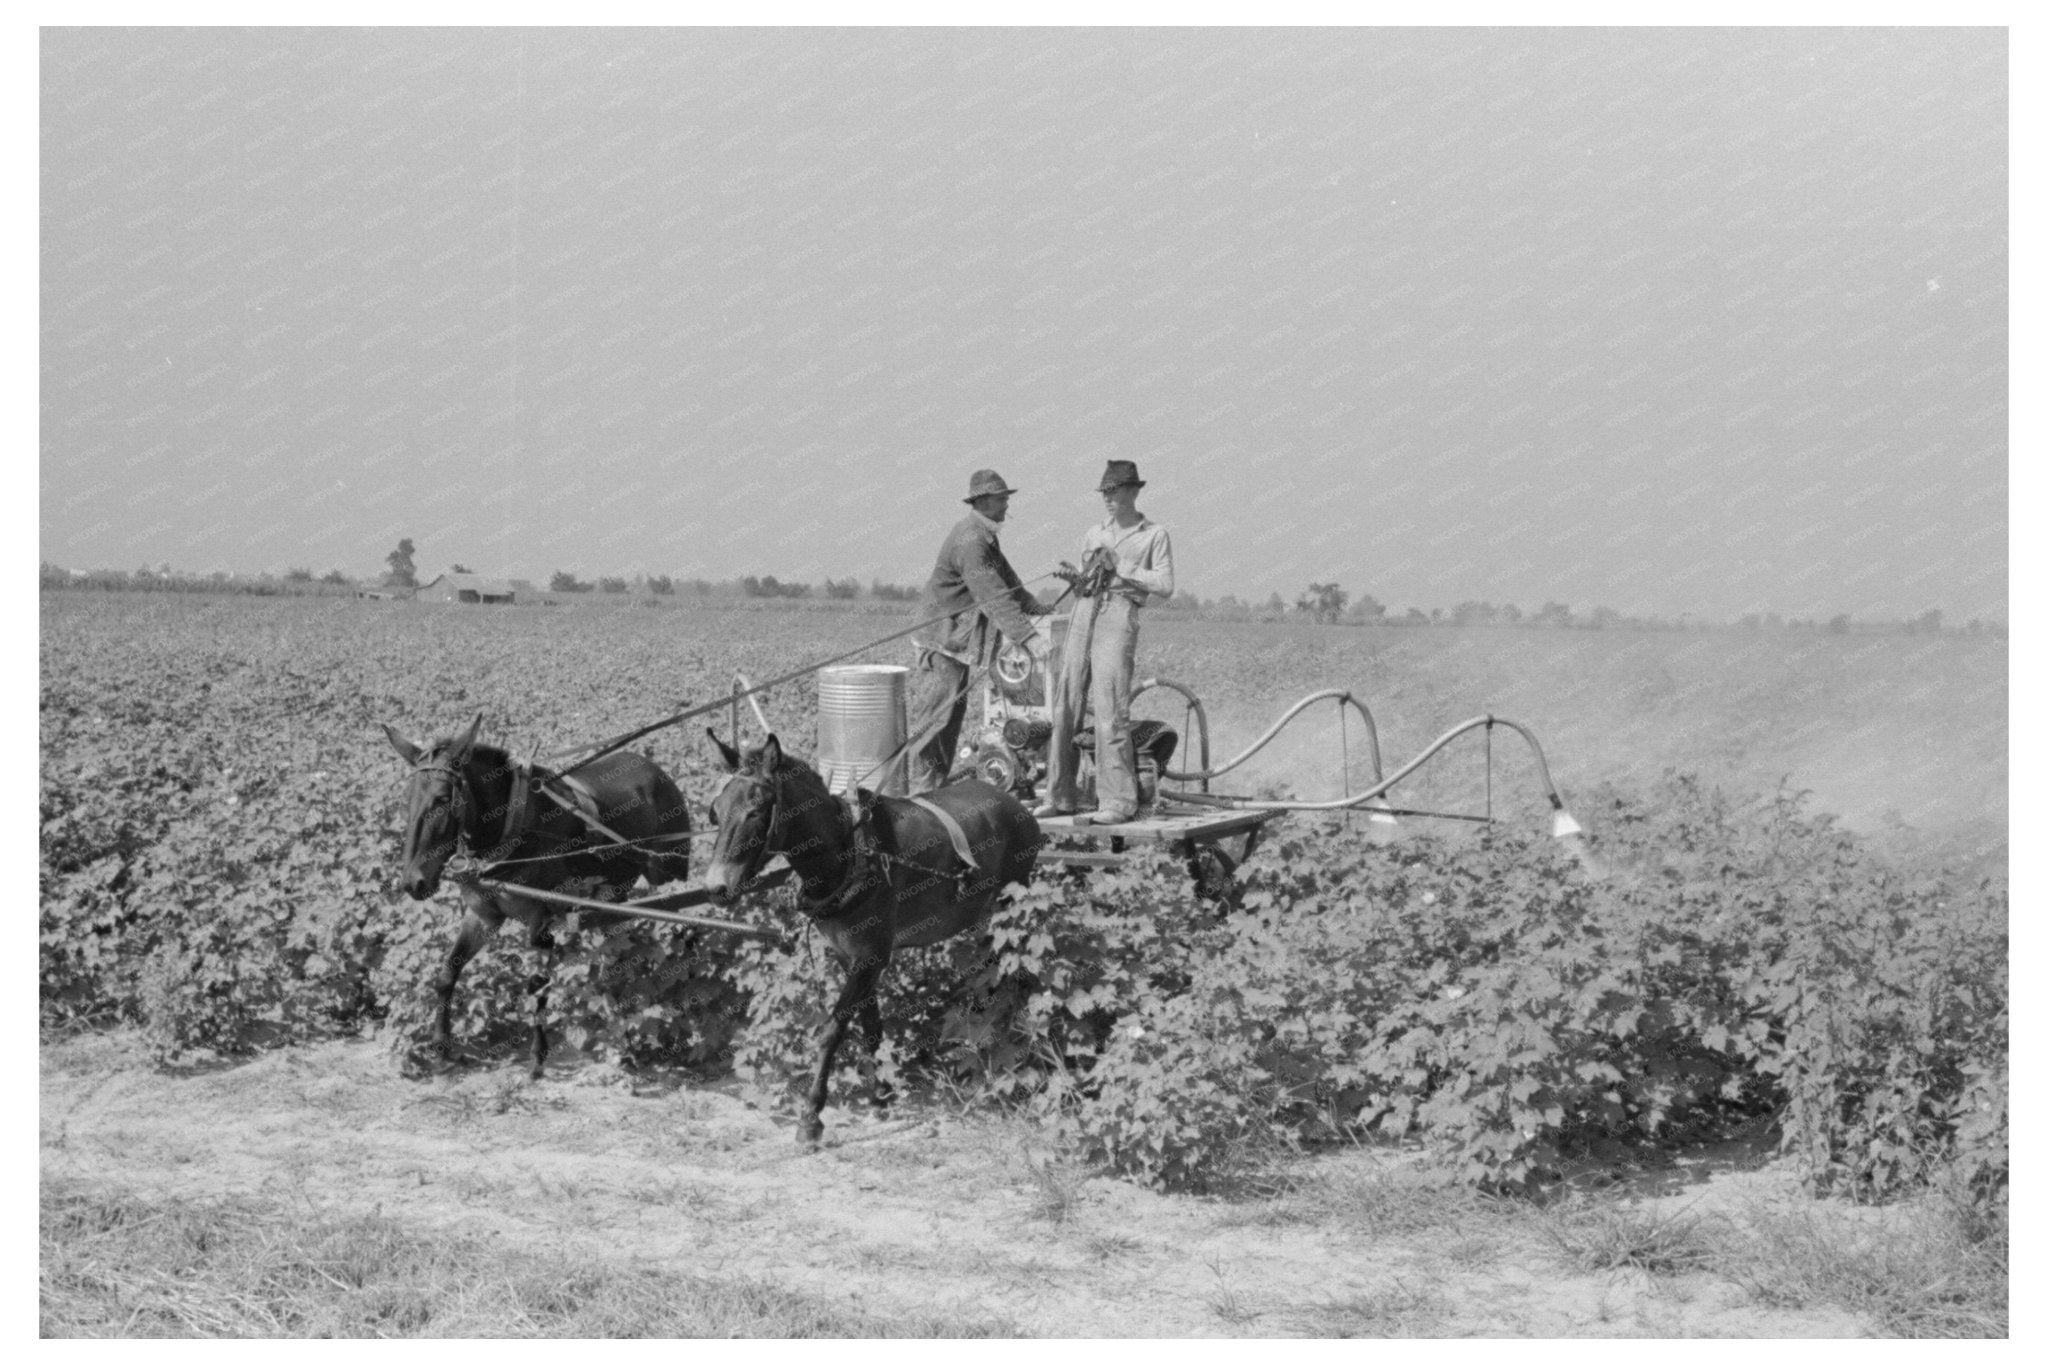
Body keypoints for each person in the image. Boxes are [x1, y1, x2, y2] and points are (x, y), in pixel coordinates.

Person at [1038, 460, 1174, 825]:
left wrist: (1121, 566)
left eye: (1115, 492)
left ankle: (1118, 802)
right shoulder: (1093, 532)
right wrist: (1075, 576)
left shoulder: (1154, 534)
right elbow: (1086, 581)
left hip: (1119, 614)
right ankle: (1060, 794)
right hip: (1083, 611)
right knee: (1066, 703)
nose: (1109, 499)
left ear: (1134, 492)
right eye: (1105, 493)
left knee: (1110, 706)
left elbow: (1164, 585)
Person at [906, 469, 1055, 795]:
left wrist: (1035, 608)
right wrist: (1028, 637)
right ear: (984, 501)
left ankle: (934, 789)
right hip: (941, 641)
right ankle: (920, 793)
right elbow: (992, 594)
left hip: (954, 642)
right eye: (1002, 500)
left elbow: (1007, 581)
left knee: (949, 720)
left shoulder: (983, 535)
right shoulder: (971, 541)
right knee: (934, 721)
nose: (1006, 507)